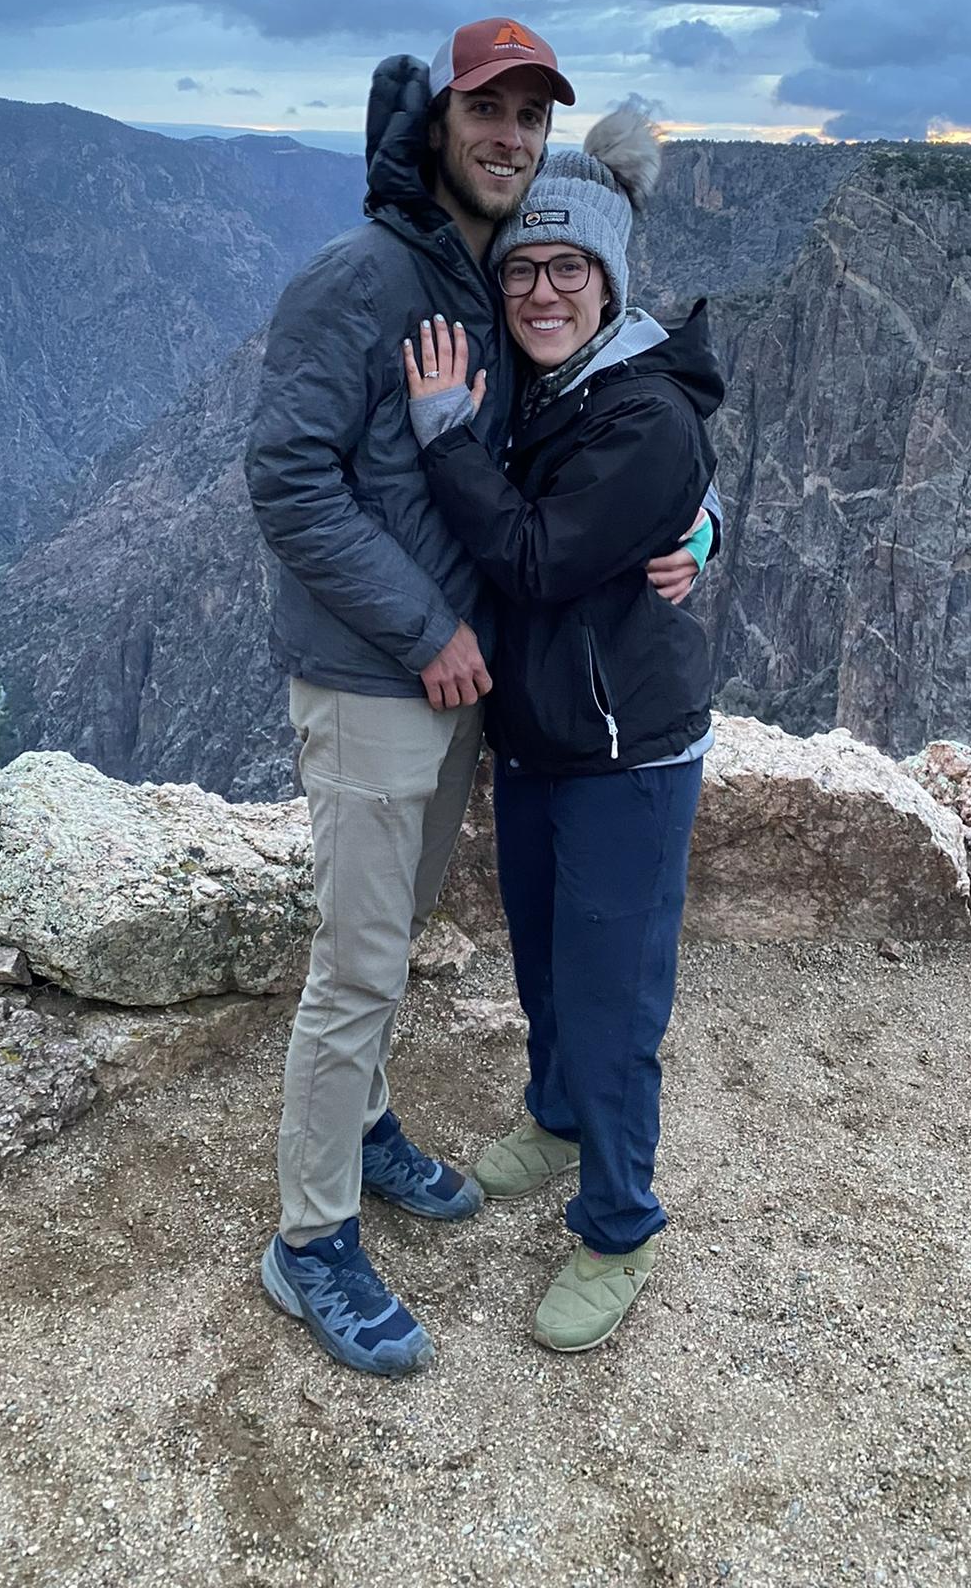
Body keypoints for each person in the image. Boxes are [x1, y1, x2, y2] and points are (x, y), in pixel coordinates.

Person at [244, 22, 707, 1377]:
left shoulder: (492, 274)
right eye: (486, 110)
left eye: (530, 114)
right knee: (357, 962)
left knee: (385, 944)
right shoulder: (361, 276)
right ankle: (311, 1238)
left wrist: (705, 522)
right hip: (378, 677)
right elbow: (287, 482)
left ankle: (367, 1127)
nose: (508, 133)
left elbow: (613, 418)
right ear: (437, 121)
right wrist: (427, 623)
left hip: (465, 684)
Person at [403, 103, 724, 1353]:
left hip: (627, 756)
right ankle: (554, 1113)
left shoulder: (642, 413)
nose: (542, 289)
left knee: (613, 997)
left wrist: (441, 435)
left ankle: (619, 1220)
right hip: (544, 739)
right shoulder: (552, 389)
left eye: (568, 267)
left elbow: (536, 556)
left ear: (609, 279)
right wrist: (703, 527)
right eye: (526, 265)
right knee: (544, 961)